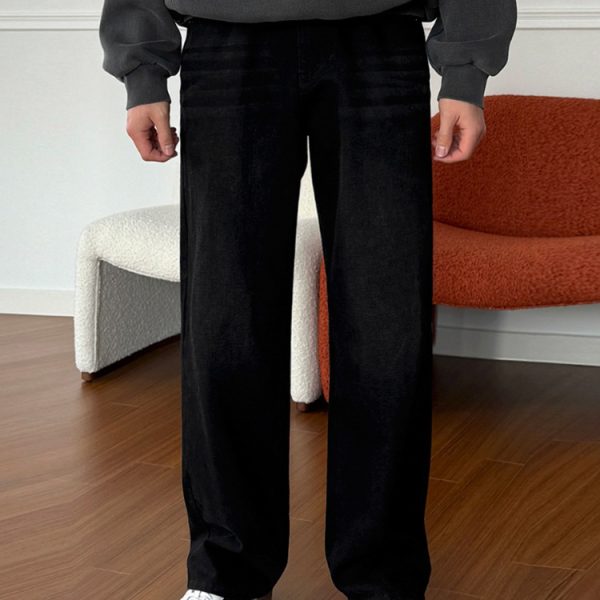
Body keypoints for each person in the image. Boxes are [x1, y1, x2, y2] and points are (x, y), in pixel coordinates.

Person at [99, 2, 517, 599]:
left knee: (386, 321)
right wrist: (142, 68)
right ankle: (227, 574)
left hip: (378, 35)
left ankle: (384, 579)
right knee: (225, 319)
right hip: (228, 39)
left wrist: (467, 69)